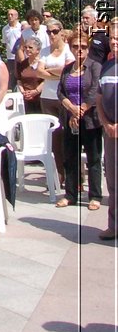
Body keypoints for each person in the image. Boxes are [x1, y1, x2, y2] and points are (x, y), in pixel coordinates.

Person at [57, 33, 102, 210]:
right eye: (75, 46)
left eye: (83, 46)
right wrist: (71, 110)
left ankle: (95, 196)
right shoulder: (67, 69)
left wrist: (80, 110)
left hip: (90, 120)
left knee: (93, 158)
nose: (79, 50)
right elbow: (61, 92)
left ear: (88, 48)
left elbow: (93, 91)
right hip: (71, 120)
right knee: (70, 158)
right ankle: (70, 194)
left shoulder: (94, 67)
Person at [40, 20, 74, 186]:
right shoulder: (45, 51)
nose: (51, 35)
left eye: (54, 31)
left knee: (68, 137)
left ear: (61, 32)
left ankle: (73, 175)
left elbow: (68, 71)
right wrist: (56, 73)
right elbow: (38, 72)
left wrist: (49, 72)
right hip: (47, 97)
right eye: (48, 32)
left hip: (64, 97)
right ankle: (58, 175)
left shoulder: (68, 50)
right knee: (54, 139)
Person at [95, 20, 118, 239]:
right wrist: (105, 122)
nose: (114, 42)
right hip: (110, 132)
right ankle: (114, 225)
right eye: (111, 38)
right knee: (112, 179)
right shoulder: (107, 66)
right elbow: (99, 97)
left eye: (117, 38)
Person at [2, 8, 23, 88]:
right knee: (12, 77)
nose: (10, 16)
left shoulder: (21, 27)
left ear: (17, 16)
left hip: (20, 56)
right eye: (8, 15)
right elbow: (5, 42)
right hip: (10, 57)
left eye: (12, 14)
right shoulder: (5, 29)